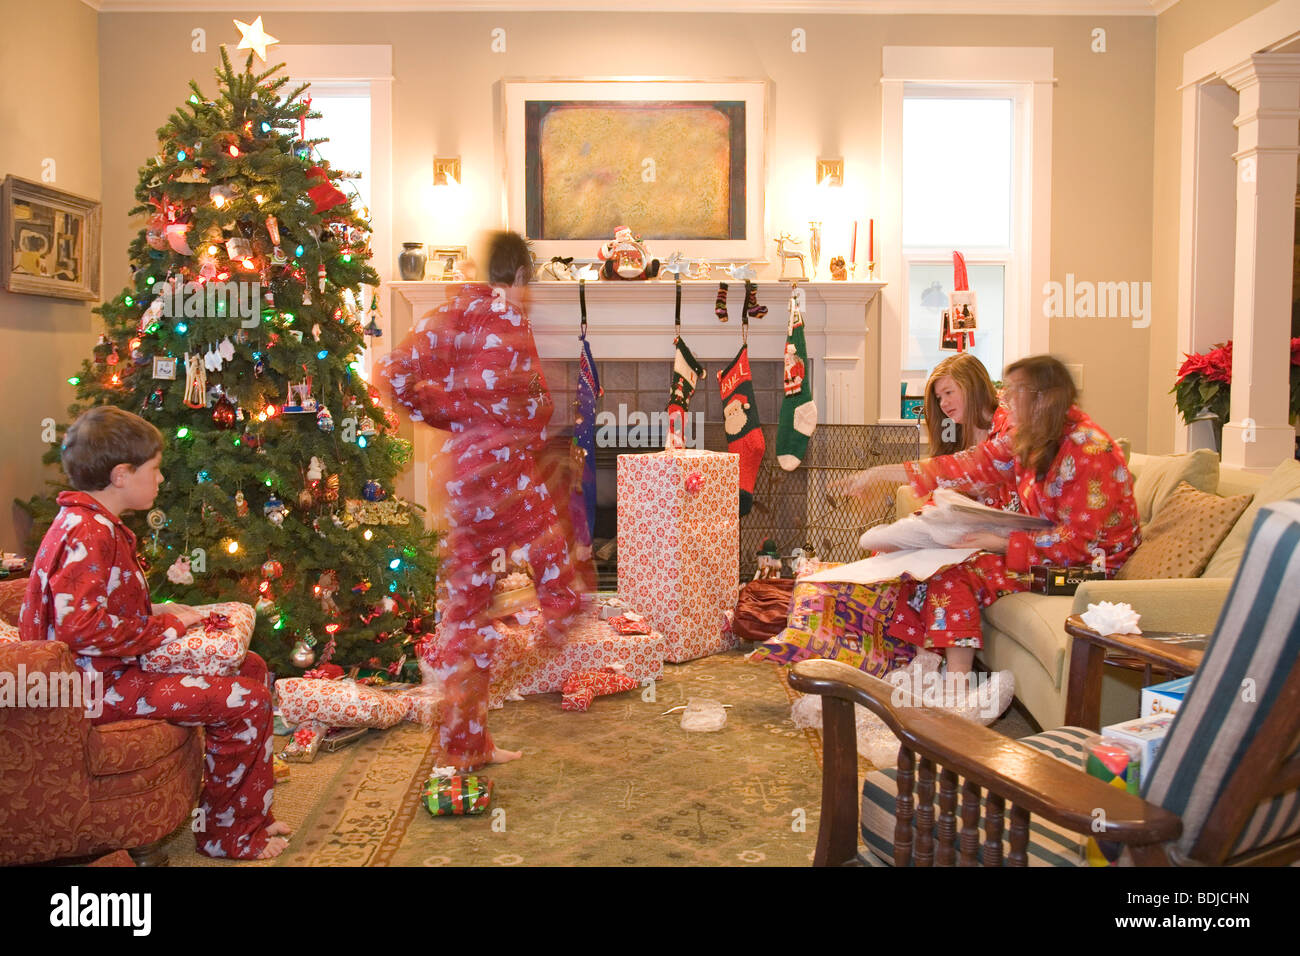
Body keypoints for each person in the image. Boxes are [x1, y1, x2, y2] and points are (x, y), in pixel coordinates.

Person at [19, 406, 289, 859]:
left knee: (252, 666)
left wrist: (159, 608)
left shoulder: (92, 522)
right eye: (155, 470)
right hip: (92, 689)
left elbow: (95, 603)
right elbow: (79, 628)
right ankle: (227, 835)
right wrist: (164, 626)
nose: (161, 480)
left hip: (110, 672)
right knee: (247, 701)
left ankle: (245, 814)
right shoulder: (89, 531)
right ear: (122, 474)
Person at [380, 230, 585, 770]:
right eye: (530, 284)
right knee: (552, 536)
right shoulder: (508, 316)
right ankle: (562, 611)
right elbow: (529, 408)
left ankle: (468, 746)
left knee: (466, 616)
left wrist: (450, 418)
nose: (529, 294)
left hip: (461, 477)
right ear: (518, 276)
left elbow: (393, 374)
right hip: (502, 473)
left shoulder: (451, 312)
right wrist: (515, 423)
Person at [849, 355, 1139, 677]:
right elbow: (970, 464)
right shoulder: (1031, 437)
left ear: (1044, 398)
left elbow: (1081, 545)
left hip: (1088, 571)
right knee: (931, 562)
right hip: (1046, 554)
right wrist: (880, 473)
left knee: (952, 570)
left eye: (1015, 392)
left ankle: (955, 686)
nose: (1005, 398)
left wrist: (1000, 542)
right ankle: (924, 669)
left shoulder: (1089, 450)